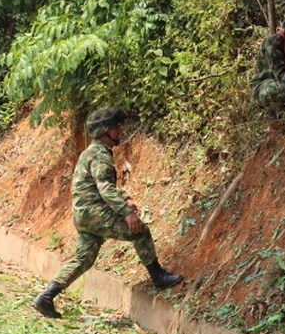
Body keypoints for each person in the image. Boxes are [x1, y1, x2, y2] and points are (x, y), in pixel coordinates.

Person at [32, 107, 184, 319]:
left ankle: (46, 297)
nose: (119, 130)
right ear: (105, 131)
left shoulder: (90, 153)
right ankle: (158, 276)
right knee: (139, 231)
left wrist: (124, 200)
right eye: (115, 127)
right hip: (94, 213)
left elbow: (97, 187)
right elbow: (105, 189)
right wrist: (126, 212)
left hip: (83, 215)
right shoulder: (101, 155)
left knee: (84, 258)